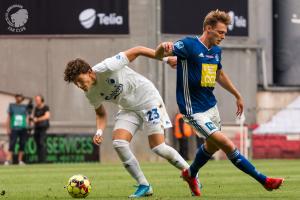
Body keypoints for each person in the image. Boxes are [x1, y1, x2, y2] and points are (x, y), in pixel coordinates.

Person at [155, 10, 284, 196]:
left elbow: (218, 74)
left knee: (212, 145)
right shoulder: (189, 45)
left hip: (210, 106)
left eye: (225, 33)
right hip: (192, 109)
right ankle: (264, 180)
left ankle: (190, 174)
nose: (224, 36)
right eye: (221, 32)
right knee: (225, 143)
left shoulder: (216, 51)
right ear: (208, 29)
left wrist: (237, 94)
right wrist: (162, 47)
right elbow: (161, 55)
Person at [63, 46, 190, 198]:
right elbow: (101, 114)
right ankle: (144, 185)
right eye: (75, 83)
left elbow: (138, 50)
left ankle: (191, 173)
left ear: (89, 72)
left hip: (148, 99)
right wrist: (99, 131)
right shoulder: (90, 93)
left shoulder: (108, 66)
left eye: (79, 80)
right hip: (129, 108)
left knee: (158, 147)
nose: (79, 85)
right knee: (119, 143)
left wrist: (165, 59)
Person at [5, 94, 29, 165]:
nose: (19, 98)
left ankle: (20, 160)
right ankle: (8, 160)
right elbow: (9, 117)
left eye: (20, 97)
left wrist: (27, 126)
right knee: (12, 144)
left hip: (23, 128)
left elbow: (27, 117)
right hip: (14, 128)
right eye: (18, 97)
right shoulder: (12, 106)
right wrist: (8, 128)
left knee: (22, 144)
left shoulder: (25, 107)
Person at [33, 95, 50, 163]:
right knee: (37, 144)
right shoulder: (36, 108)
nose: (36, 101)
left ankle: (43, 160)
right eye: (36, 100)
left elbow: (47, 116)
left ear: (41, 100)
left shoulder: (45, 107)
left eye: (38, 100)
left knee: (42, 143)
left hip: (43, 128)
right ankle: (39, 159)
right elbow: (34, 117)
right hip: (37, 128)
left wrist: (37, 119)